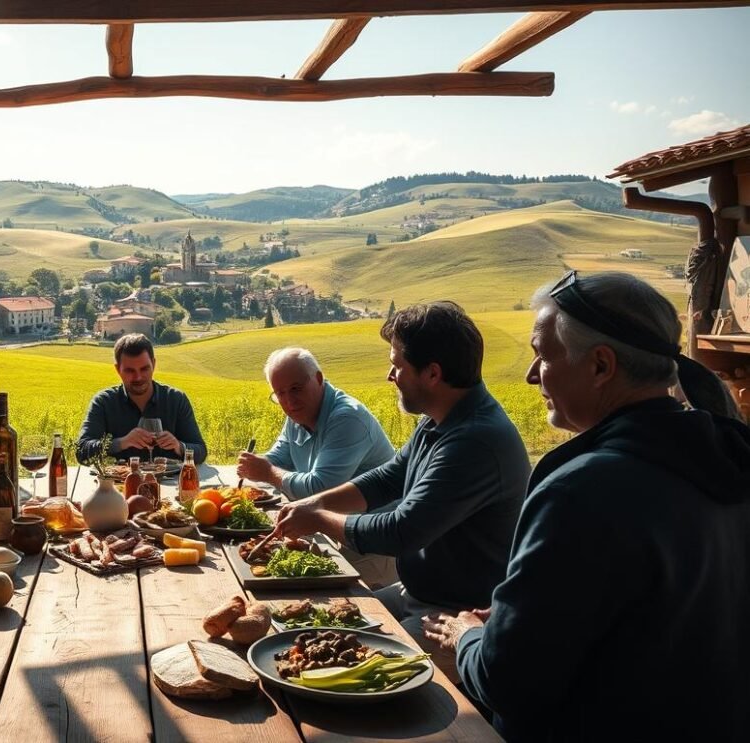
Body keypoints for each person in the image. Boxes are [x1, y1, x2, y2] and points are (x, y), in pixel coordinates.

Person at [423, 272, 750, 742]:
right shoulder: (726, 460)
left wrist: (467, 635)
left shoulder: (583, 492)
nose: (531, 374)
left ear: (601, 366)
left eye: (542, 354)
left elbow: (506, 680)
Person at [273, 301, 529, 645]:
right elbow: (388, 478)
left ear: (433, 374)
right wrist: (314, 503)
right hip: (417, 592)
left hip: (456, 615)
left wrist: (318, 518)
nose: (389, 376)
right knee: (314, 622)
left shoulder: (475, 441)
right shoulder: (439, 420)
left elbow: (402, 531)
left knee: (336, 653)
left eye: (397, 366)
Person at [236, 347, 395, 499]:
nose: (289, 402)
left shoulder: (348, 418)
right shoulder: (299, 414)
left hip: (379, 521)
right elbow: (280, 459)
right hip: (337, 519)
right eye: (280, 394)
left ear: (319, 379)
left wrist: (267, 472)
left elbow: (320, 491)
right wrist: (254, 465)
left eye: (296, 389)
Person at [76, 333, 207, 466]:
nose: (138, 377)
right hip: (119, 485)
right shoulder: (103, 402)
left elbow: (200, 451)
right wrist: (121, 443)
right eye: (130, 371)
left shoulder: (176, 400)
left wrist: (179, 446)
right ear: (117, 369)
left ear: (154, 364)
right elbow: (82, 451)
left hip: (170, 484)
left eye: (144, 369)